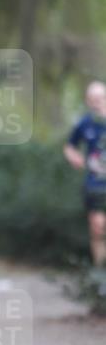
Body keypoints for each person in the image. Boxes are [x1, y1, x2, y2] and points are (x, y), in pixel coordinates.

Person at [63, 80, 106, 266]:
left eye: (100, 97)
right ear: (87, 101)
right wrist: (75, 157)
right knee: (98, 228)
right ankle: (101, 273)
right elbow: (69, 146)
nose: (97, 101)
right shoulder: (85, 123)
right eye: (92, 98)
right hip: (95, 183)